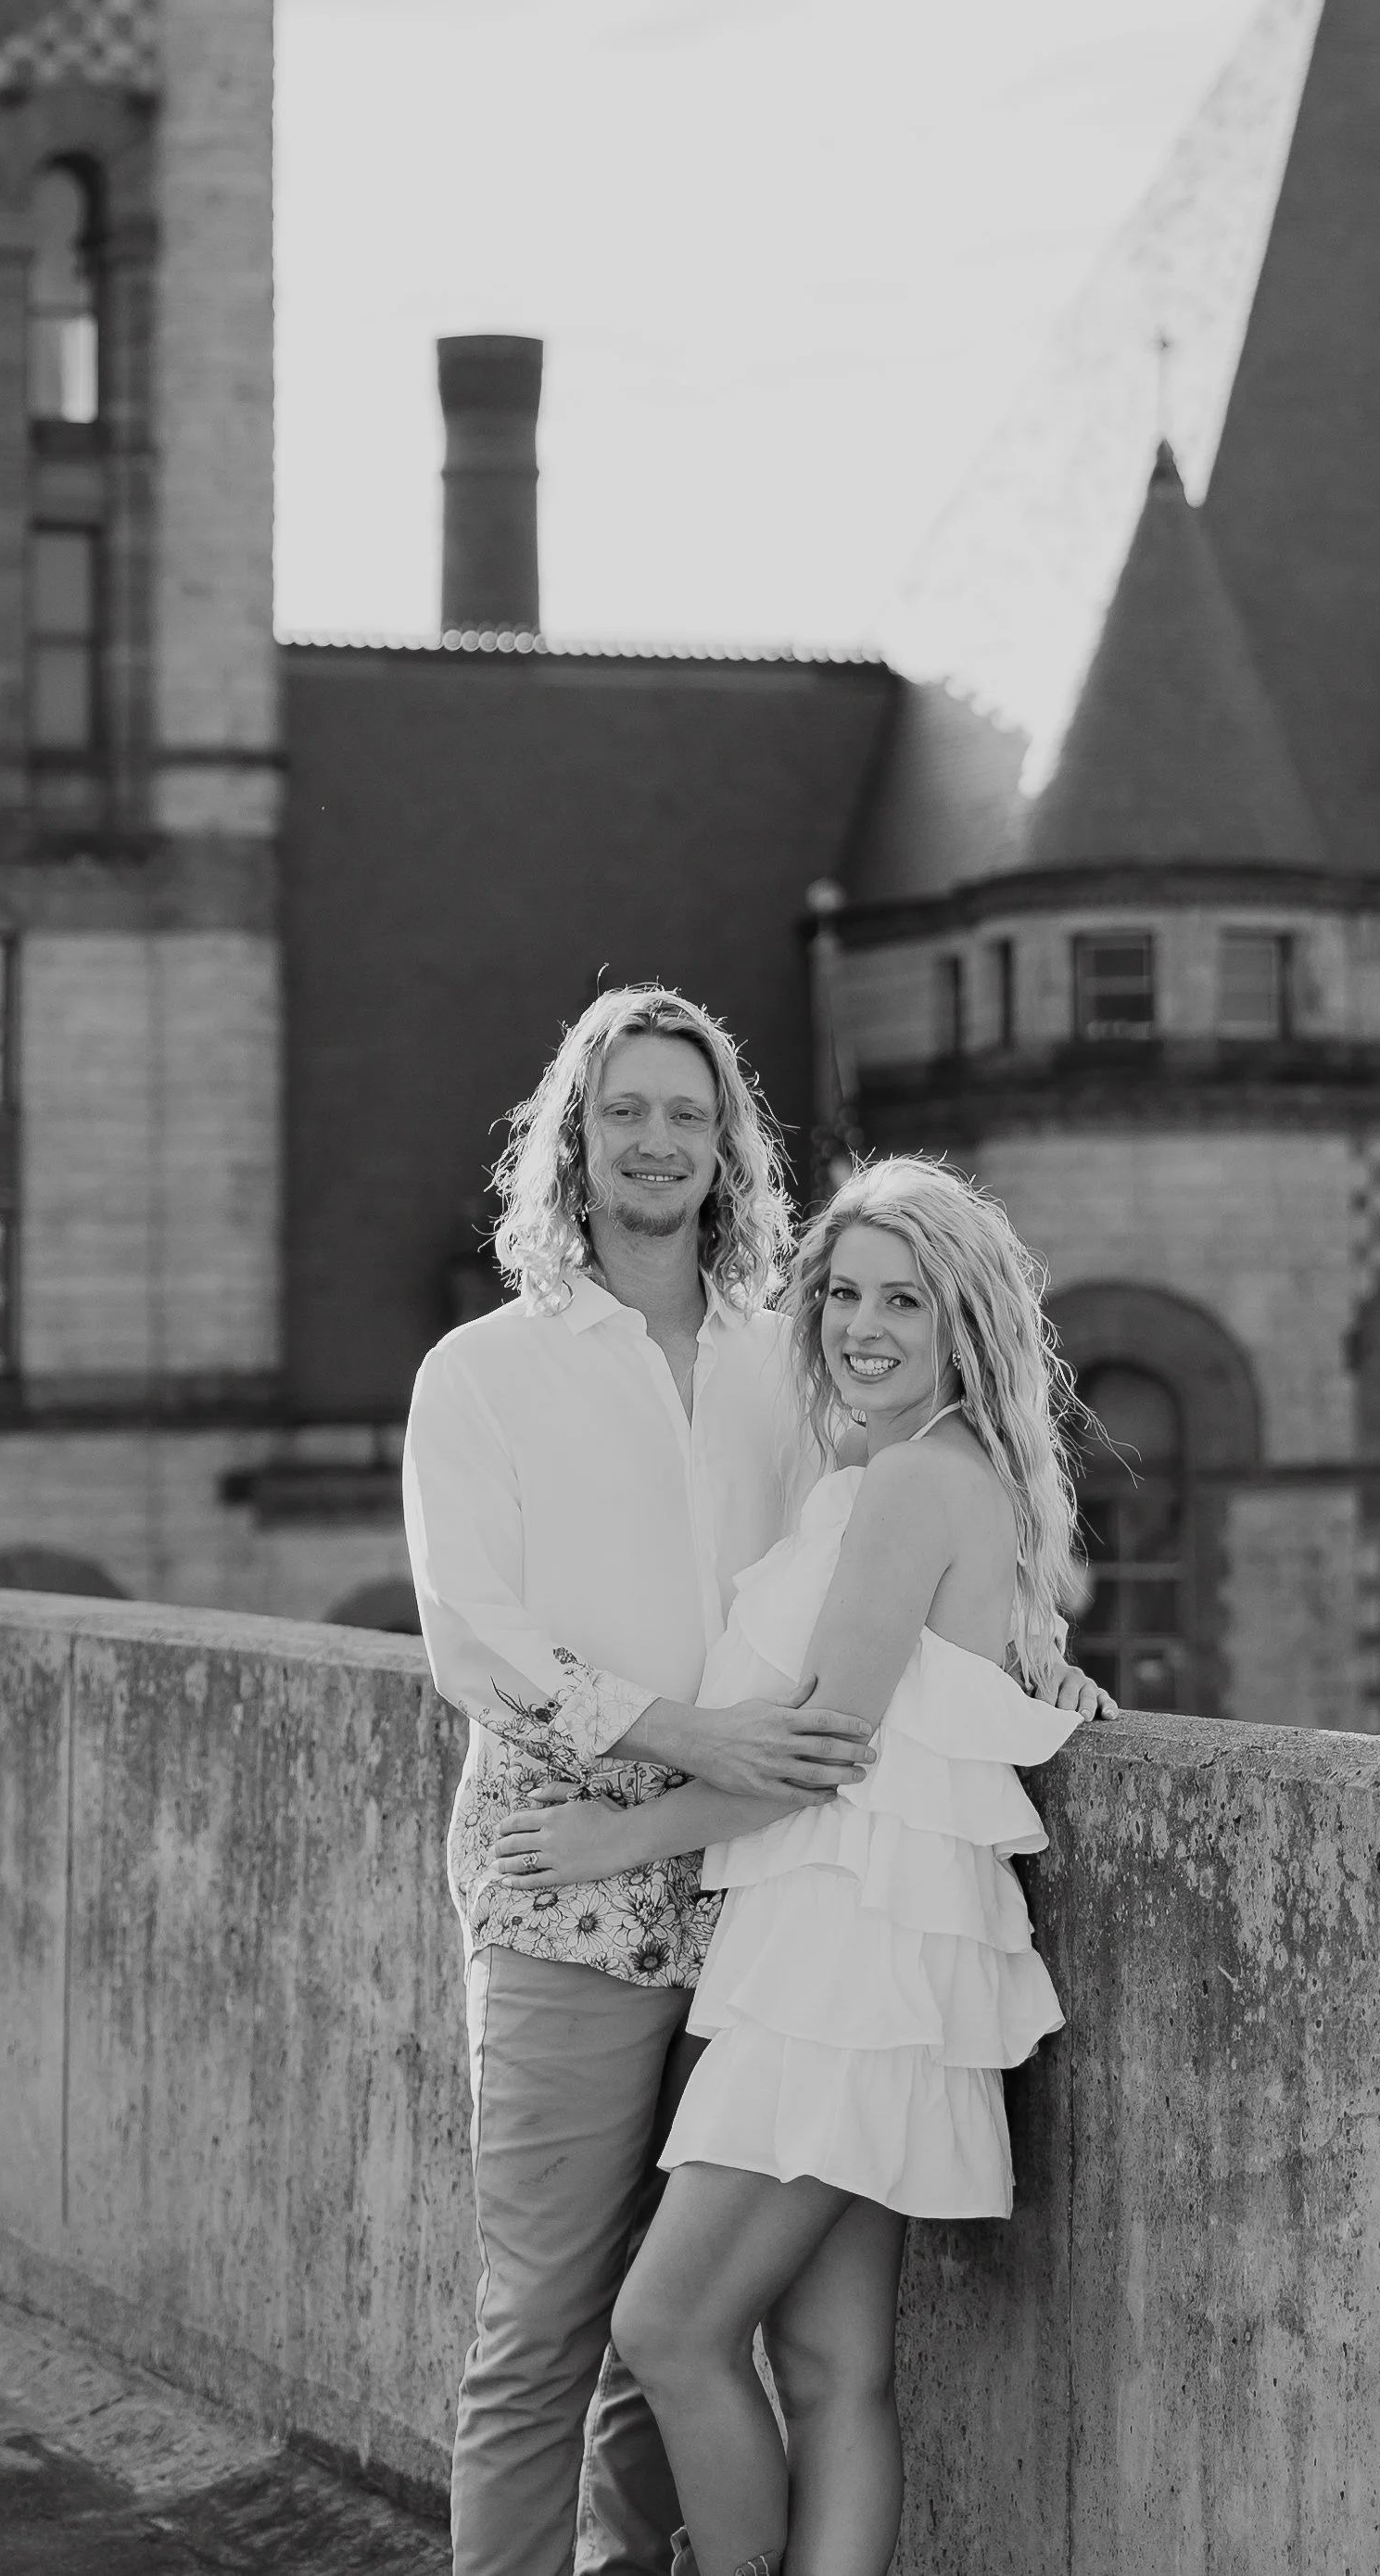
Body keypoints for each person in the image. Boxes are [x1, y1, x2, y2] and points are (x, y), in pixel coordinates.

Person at [489, 1155, 1114, 2576]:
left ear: (965, 1321)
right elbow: (934, 1685)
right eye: (843, 1295)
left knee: (665, 2326)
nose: (862, 1327)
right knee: (829, 2366)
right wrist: (1045, 1671)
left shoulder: (910, 1481)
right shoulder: (914, 1475)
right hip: (855, 1949)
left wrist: (609, 1837)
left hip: (846, 1958)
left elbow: (821, 1746)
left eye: (905, 1300)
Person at [405, 986, 880, 2576]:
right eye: (624, 1112)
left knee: (663, 2331)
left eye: (688, 1113)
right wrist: (679, 1732)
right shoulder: (482, 1371)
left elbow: (876, 1547)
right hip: (567, 1865)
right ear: (574, 1141)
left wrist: (1040, 1652)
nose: (657, 1141)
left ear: (729, 1144)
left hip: (755, 1867)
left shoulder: (786, 1365)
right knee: (540, 2316)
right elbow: (474, 1631)